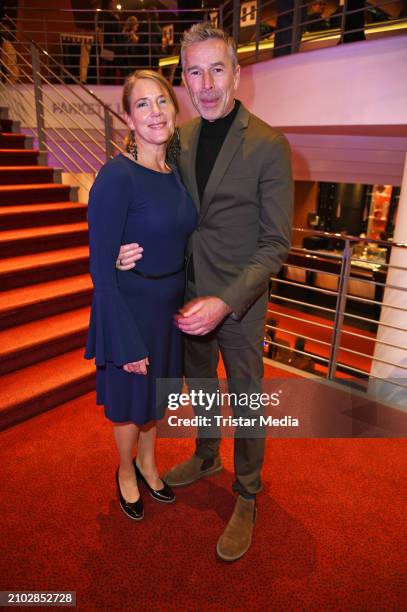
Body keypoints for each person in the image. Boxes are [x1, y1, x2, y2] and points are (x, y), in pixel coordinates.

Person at [117, 23, 293, 560]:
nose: (208, 83)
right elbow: (157, 208)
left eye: (218, 68)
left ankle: (248, 492)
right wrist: (126, 247)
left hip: (238, 304)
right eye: (195, 71)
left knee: (245, 402)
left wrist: (227, 299)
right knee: (199, 389)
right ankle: (207, 454)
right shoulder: (180, 137)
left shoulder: (269, 144)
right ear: (185, 81)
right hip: (187, 298)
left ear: (237, 73)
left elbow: (276, 243)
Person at [85, 70, 197, 521]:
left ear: (174, 109)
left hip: (169, 309)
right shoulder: (116, 176)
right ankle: (126, 470)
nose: (155, 112)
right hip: (132, 308)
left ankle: (151, 464)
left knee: (156, 401)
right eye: (143, 105)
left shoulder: (174, 172)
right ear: (128, 118)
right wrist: (125, 339)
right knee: (132, 407)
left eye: (162, 102)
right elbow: (100, 266)